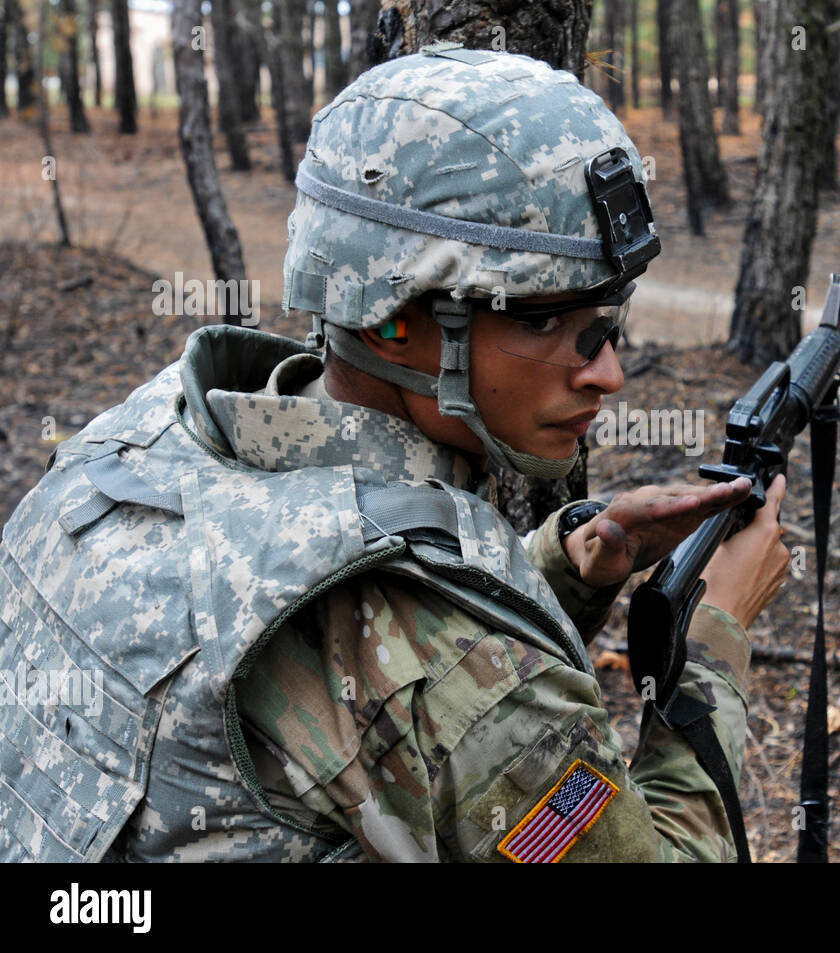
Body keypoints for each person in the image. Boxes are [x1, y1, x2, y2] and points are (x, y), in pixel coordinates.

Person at [0, 45, 788, 863]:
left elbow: (349, 683)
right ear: (388, 317)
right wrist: (715, 647)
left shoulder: (143, 442)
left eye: (609, 324)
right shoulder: (464, 677)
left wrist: (571, 561)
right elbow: (426, 684)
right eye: (547, 320)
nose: (610, 373)